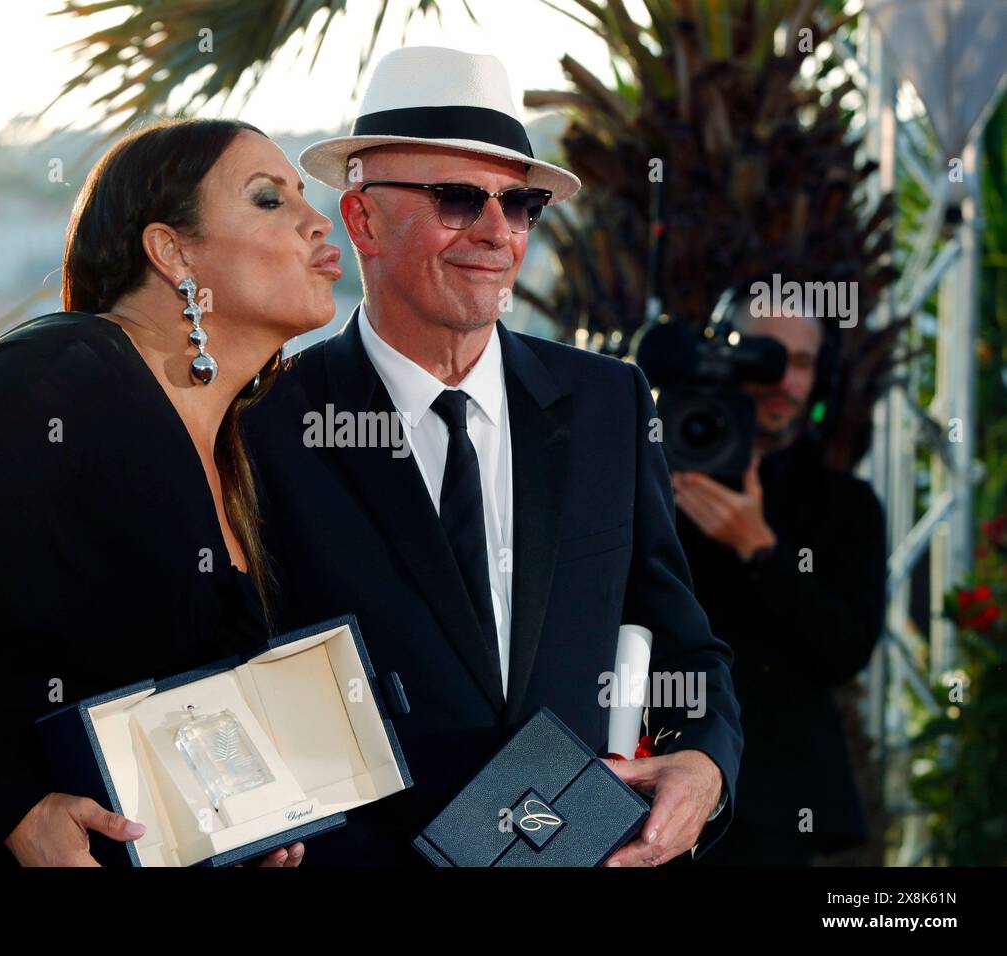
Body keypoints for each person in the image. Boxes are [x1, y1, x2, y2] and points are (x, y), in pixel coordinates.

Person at [0, 117, 339, 866]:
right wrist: (13, 810)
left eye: (304, 196)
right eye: (269, 199)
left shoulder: (236, 449)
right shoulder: (72, 369)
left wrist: (238, 829)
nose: (314, 220)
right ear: (172, 251)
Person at [242, 46, 743, 867]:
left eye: (521, 204)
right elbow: (226, 669)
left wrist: (704, 759)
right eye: (456, 198)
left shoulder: (609, 404)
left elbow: (678, 637)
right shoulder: (267, 423)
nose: (496, 231)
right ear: (362, 219)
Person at [675, 297, 887, 866]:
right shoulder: (653, 473)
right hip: (647, 780)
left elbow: (844, 649)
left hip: (776, 807)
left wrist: (759, 549)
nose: (782, 379)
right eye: (765, 356)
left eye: (800, 361)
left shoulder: (846, 504)